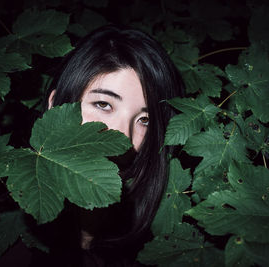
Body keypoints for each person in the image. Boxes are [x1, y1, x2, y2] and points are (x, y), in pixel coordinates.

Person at [41, 24, 185, 266]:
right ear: (56, 105)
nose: (123, 139)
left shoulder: (163, 244)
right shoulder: (2, 231)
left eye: (145, 120)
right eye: (104, 105)